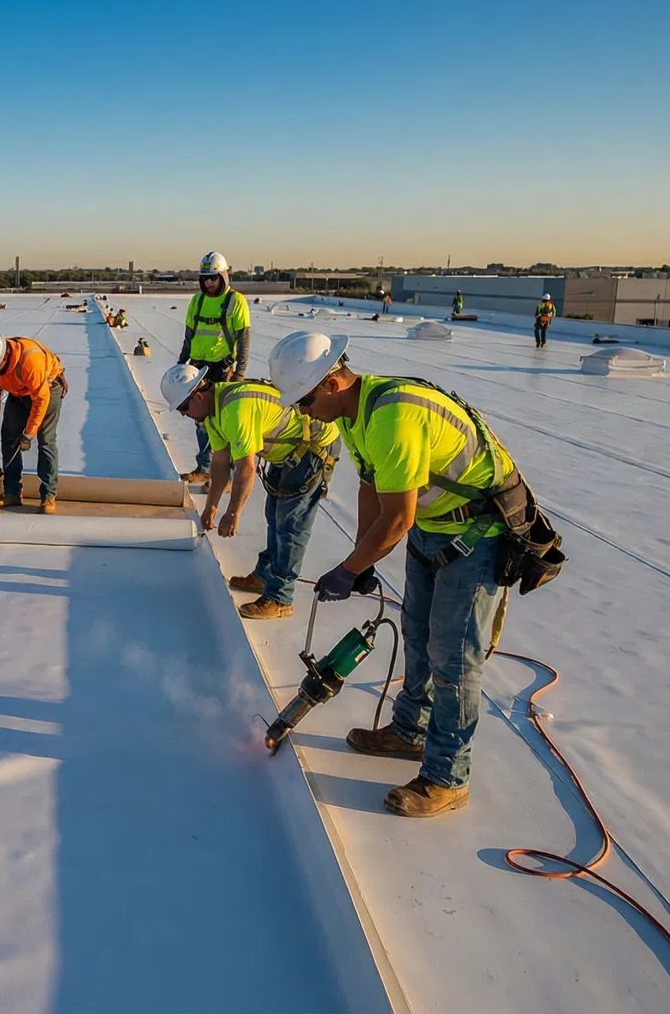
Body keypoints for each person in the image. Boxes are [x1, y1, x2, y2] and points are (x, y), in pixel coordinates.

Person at [268, 330, 521, 818]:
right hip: (434, 527)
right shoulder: (356, 415)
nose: (301, 412)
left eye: (303, 400)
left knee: (453, 658)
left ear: (331, 384)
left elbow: (398, 518)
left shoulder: (392, 416)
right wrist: (364, 558)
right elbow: (372, 489)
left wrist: (348, 570)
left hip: (477, 533)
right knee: (417, 635)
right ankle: (409, 732)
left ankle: (448, 778)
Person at [159, 363, 340, 620]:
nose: (183, 415)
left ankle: (280, 598)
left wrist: (233, 512)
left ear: (198, 396)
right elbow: (221, 462)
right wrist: (211, 506)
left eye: (183, 408)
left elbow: (245, 468)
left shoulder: (235, 409)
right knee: (274, 515)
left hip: (313, 448)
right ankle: (265, 576)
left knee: (290, 524)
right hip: (288, 452)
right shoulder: (212, 411)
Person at [175, 250, 252, 486]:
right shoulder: (197, 301)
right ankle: (205, 468)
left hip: (223, 370)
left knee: (223, 423)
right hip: (198, 368)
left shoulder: (235, 301)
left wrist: (240, 372)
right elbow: (189, 335)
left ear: (223, 276)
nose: (209, 283)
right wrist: (181, 363)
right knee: (201, 422)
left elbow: (244, 339)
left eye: (214, 278)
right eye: (205, 278)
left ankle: (226, 476)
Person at [0, 332, 67, 513]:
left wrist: (29, 433)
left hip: (47, 387)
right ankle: (12, 492)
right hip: (18, 391)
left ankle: (48, 495)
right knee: (8, 436)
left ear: (4, 356)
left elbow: (40, 399)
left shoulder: (30, 360)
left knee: (45, 440)